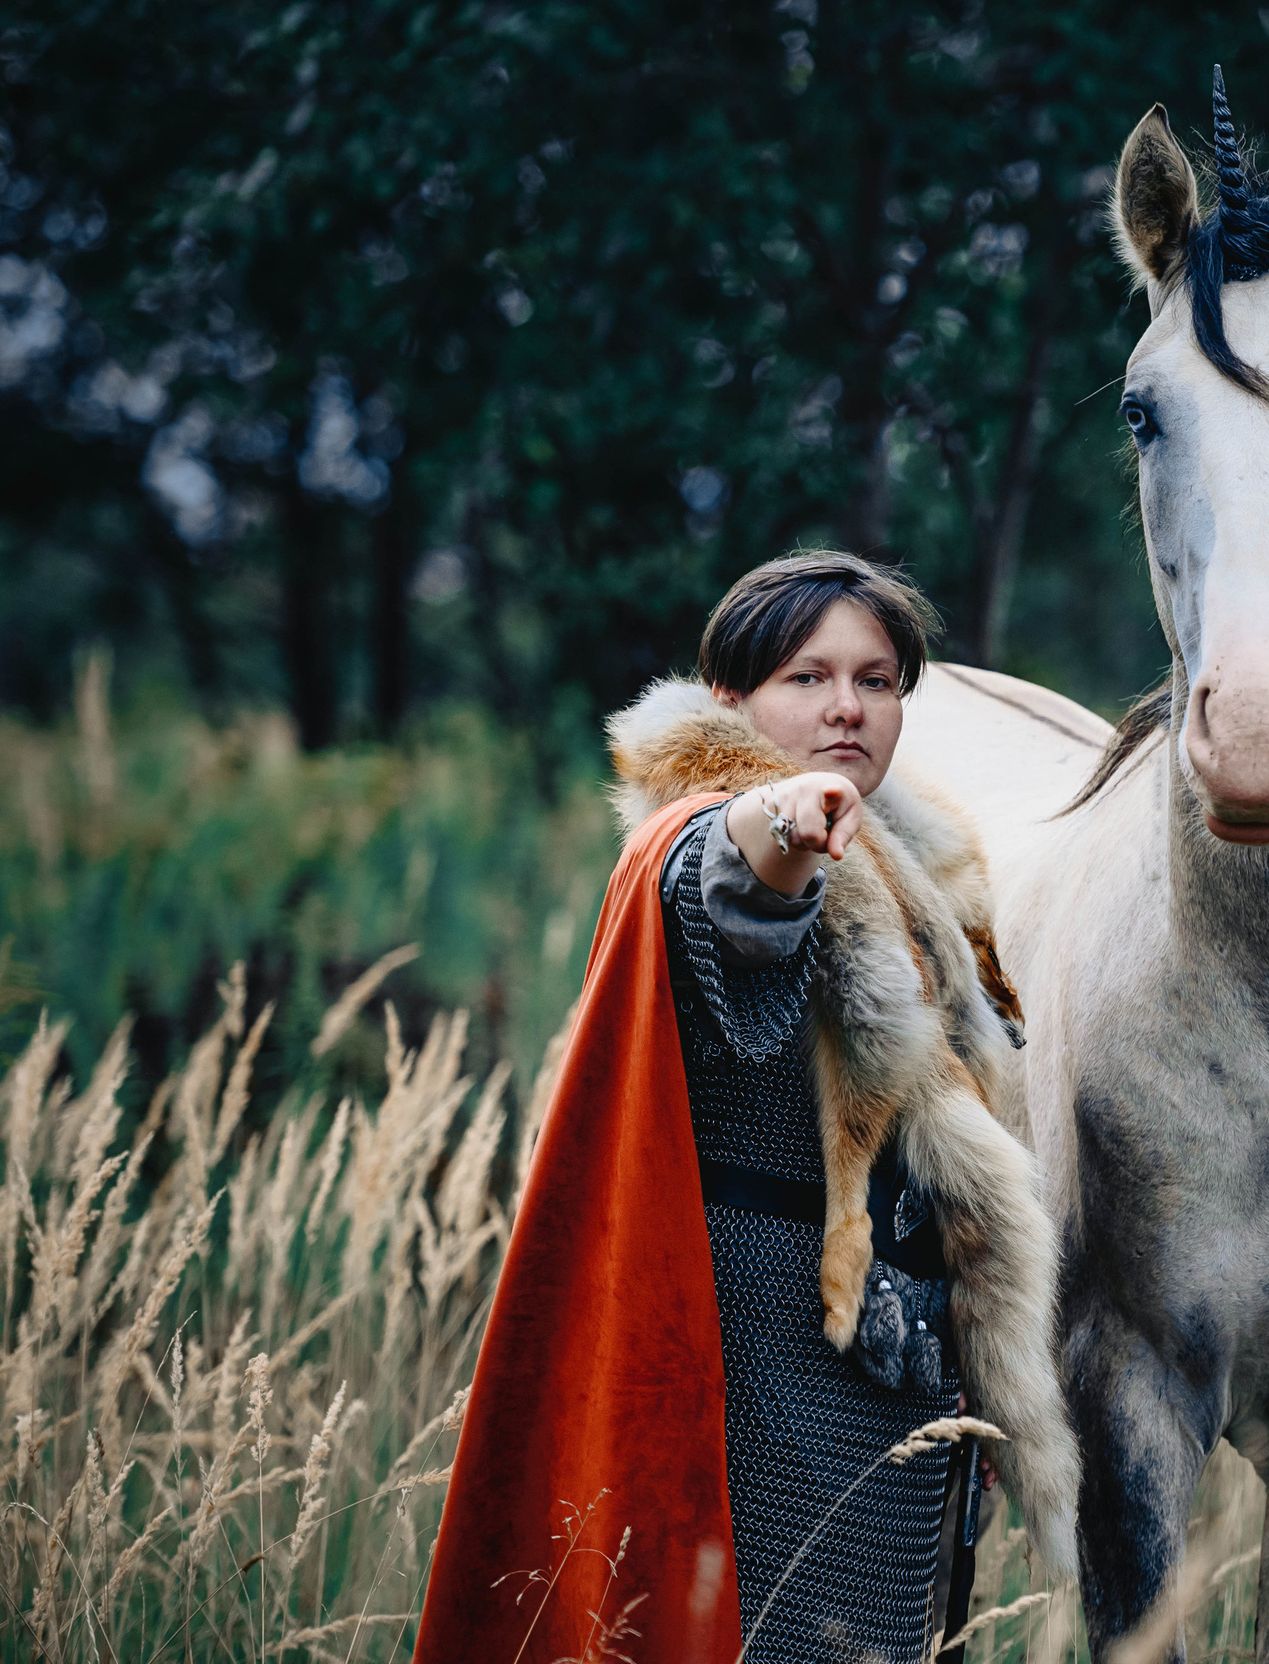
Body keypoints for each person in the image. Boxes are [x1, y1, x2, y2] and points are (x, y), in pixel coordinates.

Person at [416, 553, 1076, 1664]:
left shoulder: (921, 863)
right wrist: (785, 818)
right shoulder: (704, 830)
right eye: (807, 677)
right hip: (762, 1357)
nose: (845, 708)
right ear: (732, 700)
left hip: (893, 1352)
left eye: (875, 681)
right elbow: (736, 888)